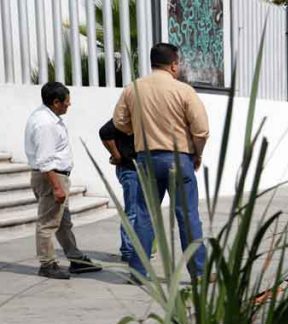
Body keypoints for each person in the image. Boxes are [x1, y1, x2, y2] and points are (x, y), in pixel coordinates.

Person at [113, 43, 209, 281]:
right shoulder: (184, 90)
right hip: (179, 158)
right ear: (174, 65)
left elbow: (119, 121)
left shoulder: (132, 89)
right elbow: (201, 130)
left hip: (146, 159)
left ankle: (138, 272)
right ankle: (199, 272)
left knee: (144, 215)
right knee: (188, 216)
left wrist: (137, 129)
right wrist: (197, 154)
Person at [23, 82, 101, 279]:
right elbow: (45, 160)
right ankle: (47, 264)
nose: (69, 104)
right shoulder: (46, 124)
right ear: (56, 102)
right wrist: (57, 187)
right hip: (52, 176)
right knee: (48, 223)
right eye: (66, 101)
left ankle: (76, 258)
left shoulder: (46, 117)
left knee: (63, 221)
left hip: (55, 175)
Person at [98, 119, 138, 263]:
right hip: (130, 168)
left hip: (142, 169)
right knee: (132, 211)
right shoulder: (127, 115)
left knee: (142, 212)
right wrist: (117, 155)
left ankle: (141, 248)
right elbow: (105, 132)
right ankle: (128, 251)